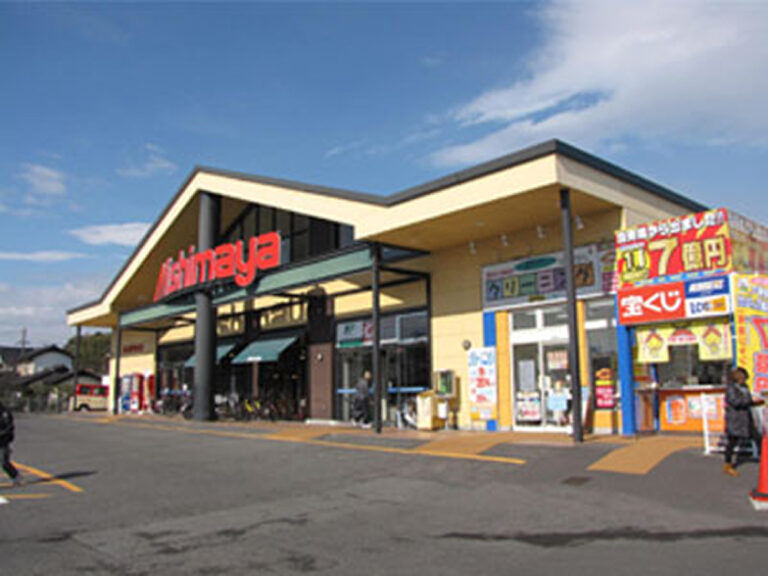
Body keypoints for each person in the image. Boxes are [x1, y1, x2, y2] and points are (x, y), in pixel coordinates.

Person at [723, 367, 765, 477]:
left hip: (746, 418)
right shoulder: (731, 389)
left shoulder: (745, 387)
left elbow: (747, 401)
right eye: (743, 378)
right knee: (732, 442)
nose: (744, 380)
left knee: (758, 438)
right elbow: (735, 402)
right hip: (736, 420)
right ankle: (728, 464)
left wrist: (756, 402)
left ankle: (764, 460)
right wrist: (751, 401)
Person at [0, 401, 21, 487]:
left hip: (3, 440)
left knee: (4, 462)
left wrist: (3, 434)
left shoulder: (5, 413)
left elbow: (9, 427)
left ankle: (15, 476)